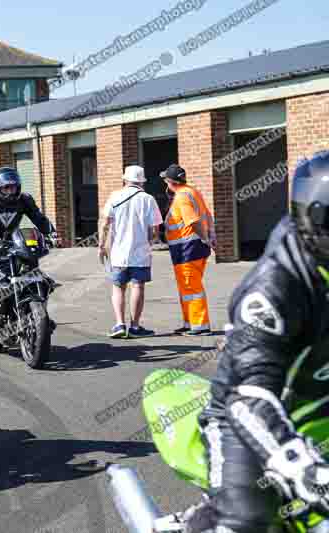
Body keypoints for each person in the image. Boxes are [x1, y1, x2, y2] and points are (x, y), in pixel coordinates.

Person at [181, 151, 329, 533]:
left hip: (319, 400)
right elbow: (248, 395)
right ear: (317, 221)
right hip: (245, 412)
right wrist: (300, 465)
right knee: (248, 521)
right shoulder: (273, 287)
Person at [0, 167, 62, 319]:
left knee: (35, 273)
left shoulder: (24, 199)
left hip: (14, 243)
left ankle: (37, 313)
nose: (11, 191)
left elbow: (39, 218)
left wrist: (52, 234)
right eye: (7, 187)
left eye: (14, 187)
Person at [99, 166, 163, 338]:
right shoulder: (148, 199)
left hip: (118, 252)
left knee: (118, 287)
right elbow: (155, 230)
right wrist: (150, 241)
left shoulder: (115, 196)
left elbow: (105, 223)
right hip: (141, 253)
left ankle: (119, 324)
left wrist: (101, 246)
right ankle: (135, 327)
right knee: (138, 286)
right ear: (142, 181)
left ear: (125, 179)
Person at [161, 164, 216, 336]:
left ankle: (200, 326)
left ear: (170, 181)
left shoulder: (182, 196)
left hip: (187, 249)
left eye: (165, 179)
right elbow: (207, 215)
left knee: (191, 288)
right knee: (187, 287)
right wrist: (210, 236)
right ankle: (189, 323)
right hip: (190, 248)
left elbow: (192, 221)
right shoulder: (192, 192)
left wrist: (205, 238)